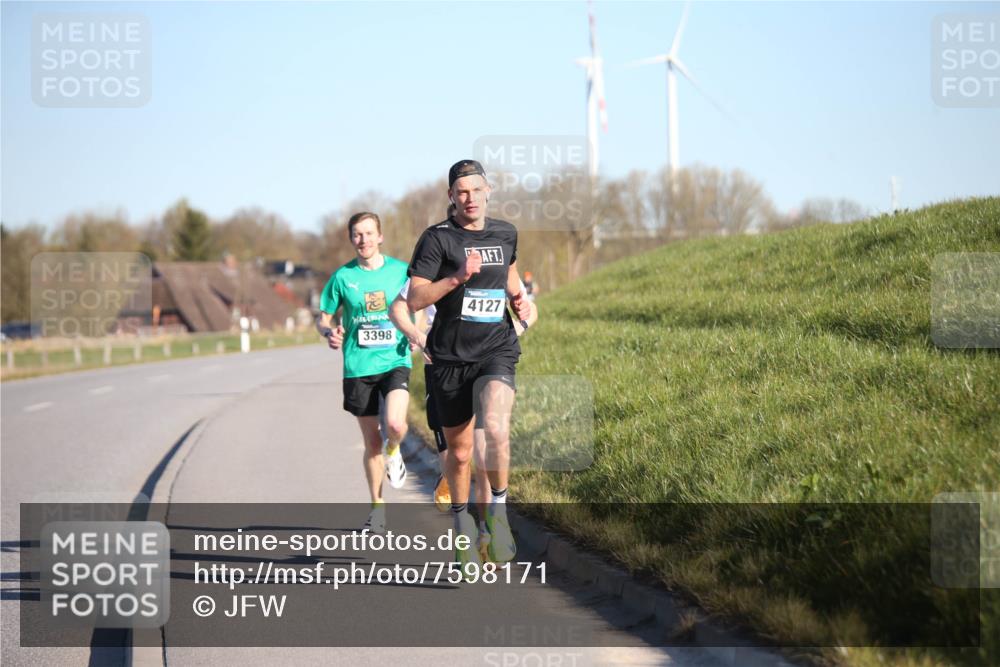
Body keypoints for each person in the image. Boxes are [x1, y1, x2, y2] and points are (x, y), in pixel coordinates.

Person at [406, 160, 531, 568]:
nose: (470, 198)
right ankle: (462, 526)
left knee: (495, 428)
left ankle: (498, 513)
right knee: (459, 457)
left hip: (496, 348)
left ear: (488, 191)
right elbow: (416, 300)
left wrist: (520, 299)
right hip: (449, 358)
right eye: (461, 192)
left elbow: (510, 279)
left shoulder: (505, 233)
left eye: (476, 190)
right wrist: (457, 278)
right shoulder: (436, 240)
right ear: (450, 197)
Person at [317, 211, 411, 534]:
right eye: (357, 234)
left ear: (380, 237)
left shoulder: (401, 271)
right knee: (372, 442)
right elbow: (324, 316)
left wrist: (416, 334)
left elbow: (421, 305)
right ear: (351, 239)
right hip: (358, 366)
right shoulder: (343, 278)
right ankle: (377, 508)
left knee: (396, 423)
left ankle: (396, 450)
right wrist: (328, 332)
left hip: (395, 358)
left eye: (369, 233)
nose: (364, 240)